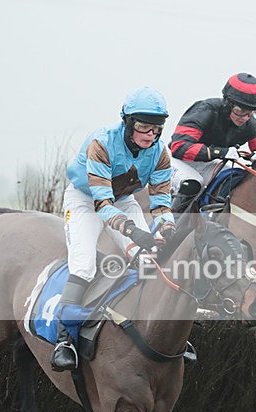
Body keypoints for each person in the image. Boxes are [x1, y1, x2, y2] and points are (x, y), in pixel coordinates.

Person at [51, 86, 176, 372]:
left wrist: (167, 229)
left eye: (156, 128)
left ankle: (157, 334)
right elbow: (102, 204)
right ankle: (64, 340)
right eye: (144, 127)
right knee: (83, 266)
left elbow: (161, 203)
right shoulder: (102, 143)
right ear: (129, 122)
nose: (151, 135)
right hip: (86, 201)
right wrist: (133, 232)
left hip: (123, 199)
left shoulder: (160, 154)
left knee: (149, 260)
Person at [169, 73, 256, 213]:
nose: (245, 118)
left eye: (251, 112)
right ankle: (169, 227)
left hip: (210, 163)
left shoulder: (250, 123)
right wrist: (221, 152)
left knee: (237, 179)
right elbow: (179, 147)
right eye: (239, 110)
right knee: (193, 183)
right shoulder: (205, 110)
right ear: (227, 104)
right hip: (179, 161)